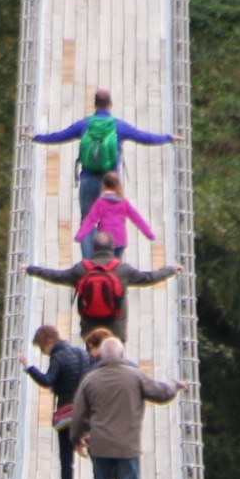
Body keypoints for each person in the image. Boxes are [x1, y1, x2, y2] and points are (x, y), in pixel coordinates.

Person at [71, 334, 186, 479]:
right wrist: (175, 385)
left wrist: (76, 439)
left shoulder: (90, 380)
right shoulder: (135, 376)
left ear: (101, 356)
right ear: (123, 355)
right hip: (127, 446)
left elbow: (77, 415)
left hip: (100, 446)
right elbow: (161, 393)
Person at [31, 87, 174, 217]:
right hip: (110, 181)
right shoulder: (119, 126)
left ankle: (90, 245)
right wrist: (168, 138)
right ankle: (109, 245)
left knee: (87, 222)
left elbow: (60, 136)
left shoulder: (85, 124)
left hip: (88, 178)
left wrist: (36, 137)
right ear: (110, 104)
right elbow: (144, 137)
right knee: (112, 219)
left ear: (94, 104)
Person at [28, 231, 179, 341]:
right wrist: (170, 270)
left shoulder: (82, 269)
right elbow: (148, 278)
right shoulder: (122, 270)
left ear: (93, 249)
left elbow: (56, 276)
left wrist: (31, 269)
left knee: (92, 358)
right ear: (112, 249)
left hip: (89, 325)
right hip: (115, 325)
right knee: (115, 358)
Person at [24, 324, 91, 479]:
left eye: (42, 348)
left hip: (67, 414)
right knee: (98, 458)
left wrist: (29, 366)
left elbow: (47, 381)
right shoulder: (82, 353)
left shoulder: (58, 357)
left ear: (48, 342)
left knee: (66, 458)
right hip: (87, 412)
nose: (44, 353)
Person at [70, 168, 160, 259]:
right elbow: (137, 219)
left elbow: (90, 219)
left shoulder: (100, 202)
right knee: (116, 267)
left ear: (104, 185)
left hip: (105, 241)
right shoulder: (123, 202)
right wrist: (149, 234)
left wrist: (80, 235)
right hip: (120, 239)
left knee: (105, 267)